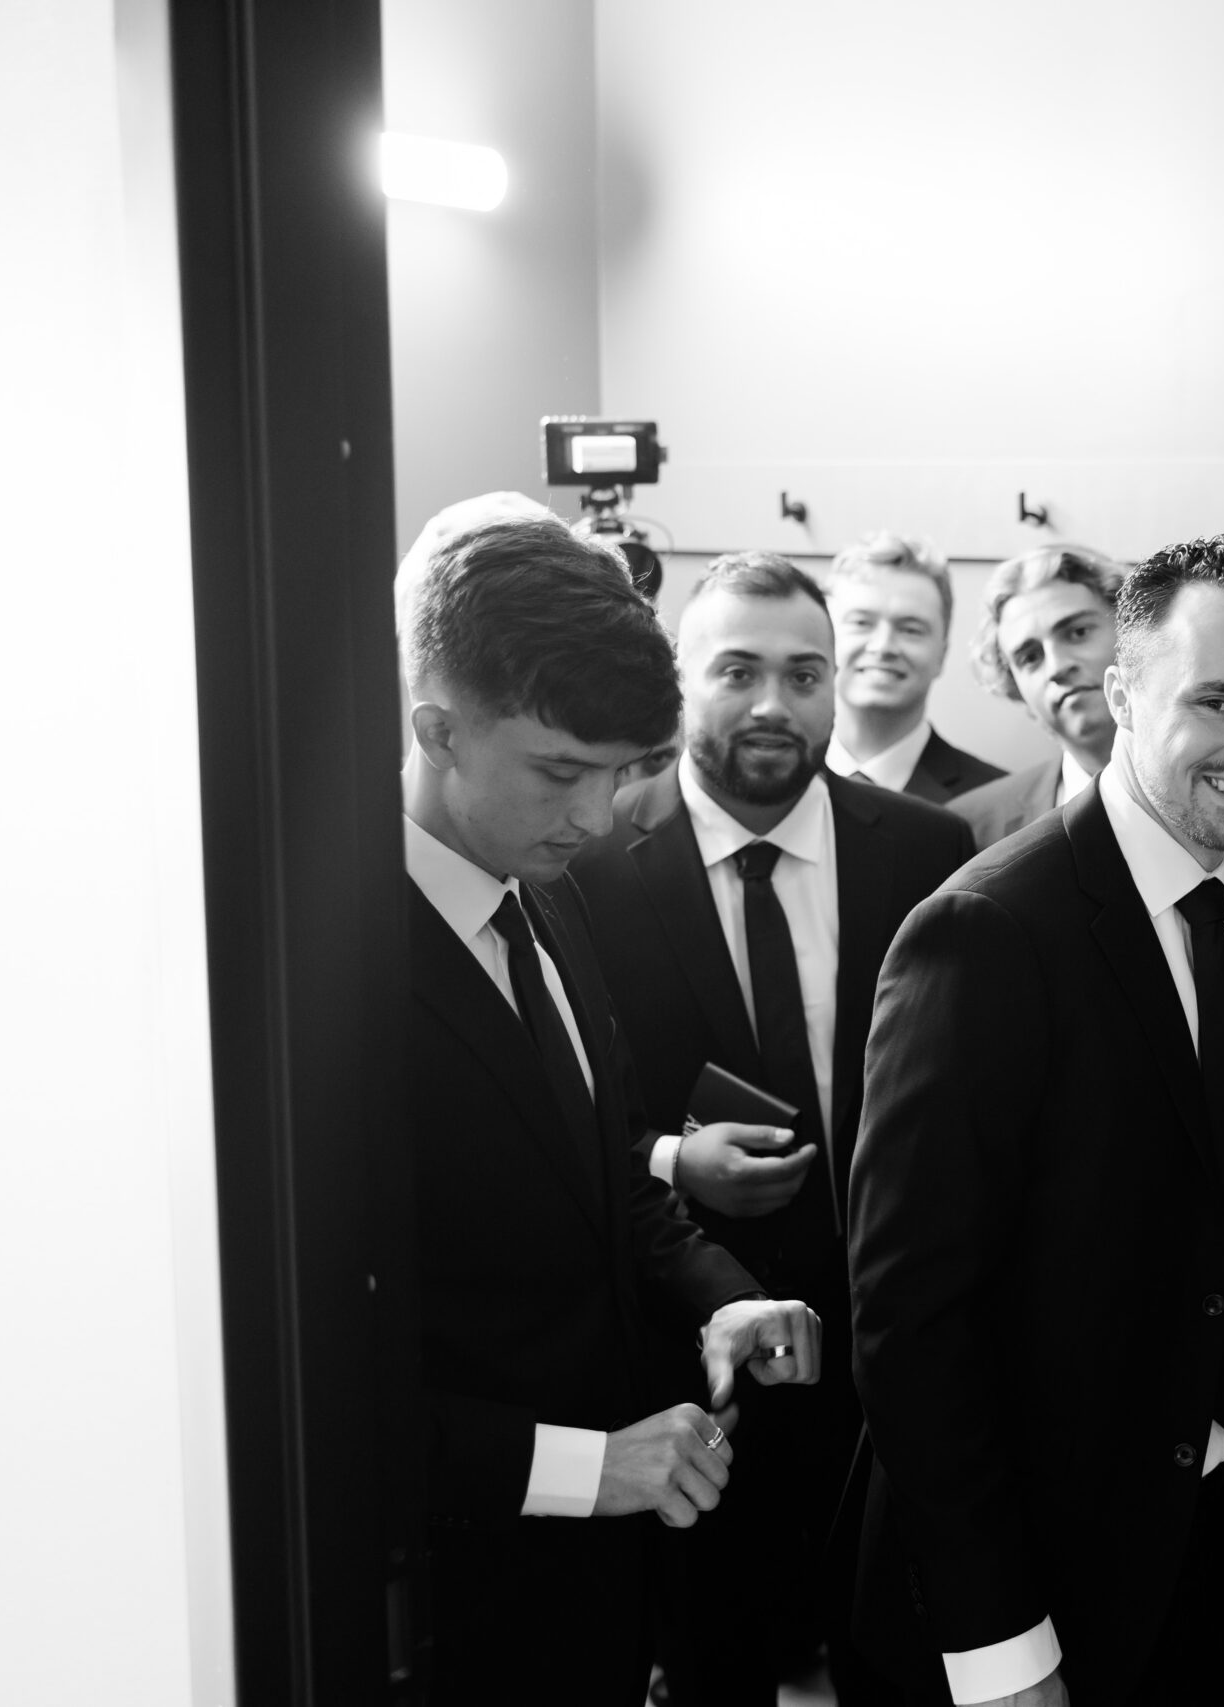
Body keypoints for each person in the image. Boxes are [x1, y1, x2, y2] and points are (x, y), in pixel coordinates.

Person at [847, 537, 1224, 1706]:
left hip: (1213, 1537)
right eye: (1216, 701)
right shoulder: (985, 932)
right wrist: (1000, 1644)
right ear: (1120, 694)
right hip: (1032, 1576)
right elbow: (911, 1322)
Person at [396, 514, 823, 1703]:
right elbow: (322, 1380)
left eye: (624, 771)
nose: (595, 816)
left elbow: (611, 1179)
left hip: (602, 1590)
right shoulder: (325, 973)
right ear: (437, 730)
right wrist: (584, 1469)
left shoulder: (551, 892)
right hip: (441, 1603)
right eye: (560, 772)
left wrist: (723, 1299)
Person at [572, 553, 976, 1706]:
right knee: (720, 1661)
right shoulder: (587, 864)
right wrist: (671, 1161)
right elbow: (569, 1120)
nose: (772, 704)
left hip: (887, 1334)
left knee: (898, 1651)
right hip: (692, 1351)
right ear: (680, 681)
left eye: (804, 675)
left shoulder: (927, 850)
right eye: (737, 671)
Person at [944, 545, 1124, 849]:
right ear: (1016, 690)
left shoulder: (1210, 788)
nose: (1057, 667)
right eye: (1030, 657)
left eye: (1078, 632)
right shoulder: (972, 829)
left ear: (1133, 633)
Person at [822, 531, 1007, 803]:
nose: (883, 646)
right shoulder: (772, 782)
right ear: (823, 637)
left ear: (942, 654)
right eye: (861, 623)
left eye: (910, 629)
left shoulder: (999, 804)